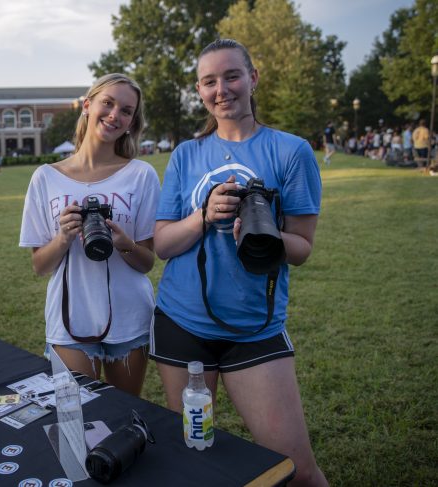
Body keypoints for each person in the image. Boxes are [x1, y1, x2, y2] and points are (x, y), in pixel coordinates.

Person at [151, 39, 327, 486]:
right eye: (209, 81)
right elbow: (163, 244)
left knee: (297, 471)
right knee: (196, 460)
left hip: (255, 328)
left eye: (231, 76)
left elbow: (303, 248)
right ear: (199, 90)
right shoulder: (186, 154)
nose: (221, 89)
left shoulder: (290, 151)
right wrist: (203, 217)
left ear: (253, 78)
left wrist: (263, 232)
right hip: (182, 325)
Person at [19, 73, 160, 396]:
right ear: (87, 105)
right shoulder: (46, 178)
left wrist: (124, 244)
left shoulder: (141, 175)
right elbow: (40, 266)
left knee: (124, 411)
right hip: (70, 319)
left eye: (126, 111)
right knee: (78, 418)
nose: (115, 115)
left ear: (131, 122)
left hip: (130, 318)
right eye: (107, 103)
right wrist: (63, 237)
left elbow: (147, 262)